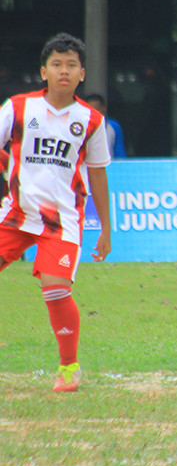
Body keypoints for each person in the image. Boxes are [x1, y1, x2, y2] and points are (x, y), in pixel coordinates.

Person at [0, 33, 112, 392]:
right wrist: (8, 165)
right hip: (16, 214)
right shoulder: (17, 107)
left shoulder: (90, 121)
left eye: (71, 65)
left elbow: (97, 173)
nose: (64, 71)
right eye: (57, 64)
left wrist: (106, 229)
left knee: (56, 290)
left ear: (82, 74)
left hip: (61, 222)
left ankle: (68, 368)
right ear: (43, 72)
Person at [84, 93, 126, 158]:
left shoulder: (114, 126)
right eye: (90, 110)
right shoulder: (78, 128)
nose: (93, 113)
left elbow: (120, 155)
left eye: (97, 109)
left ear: (104, 109)